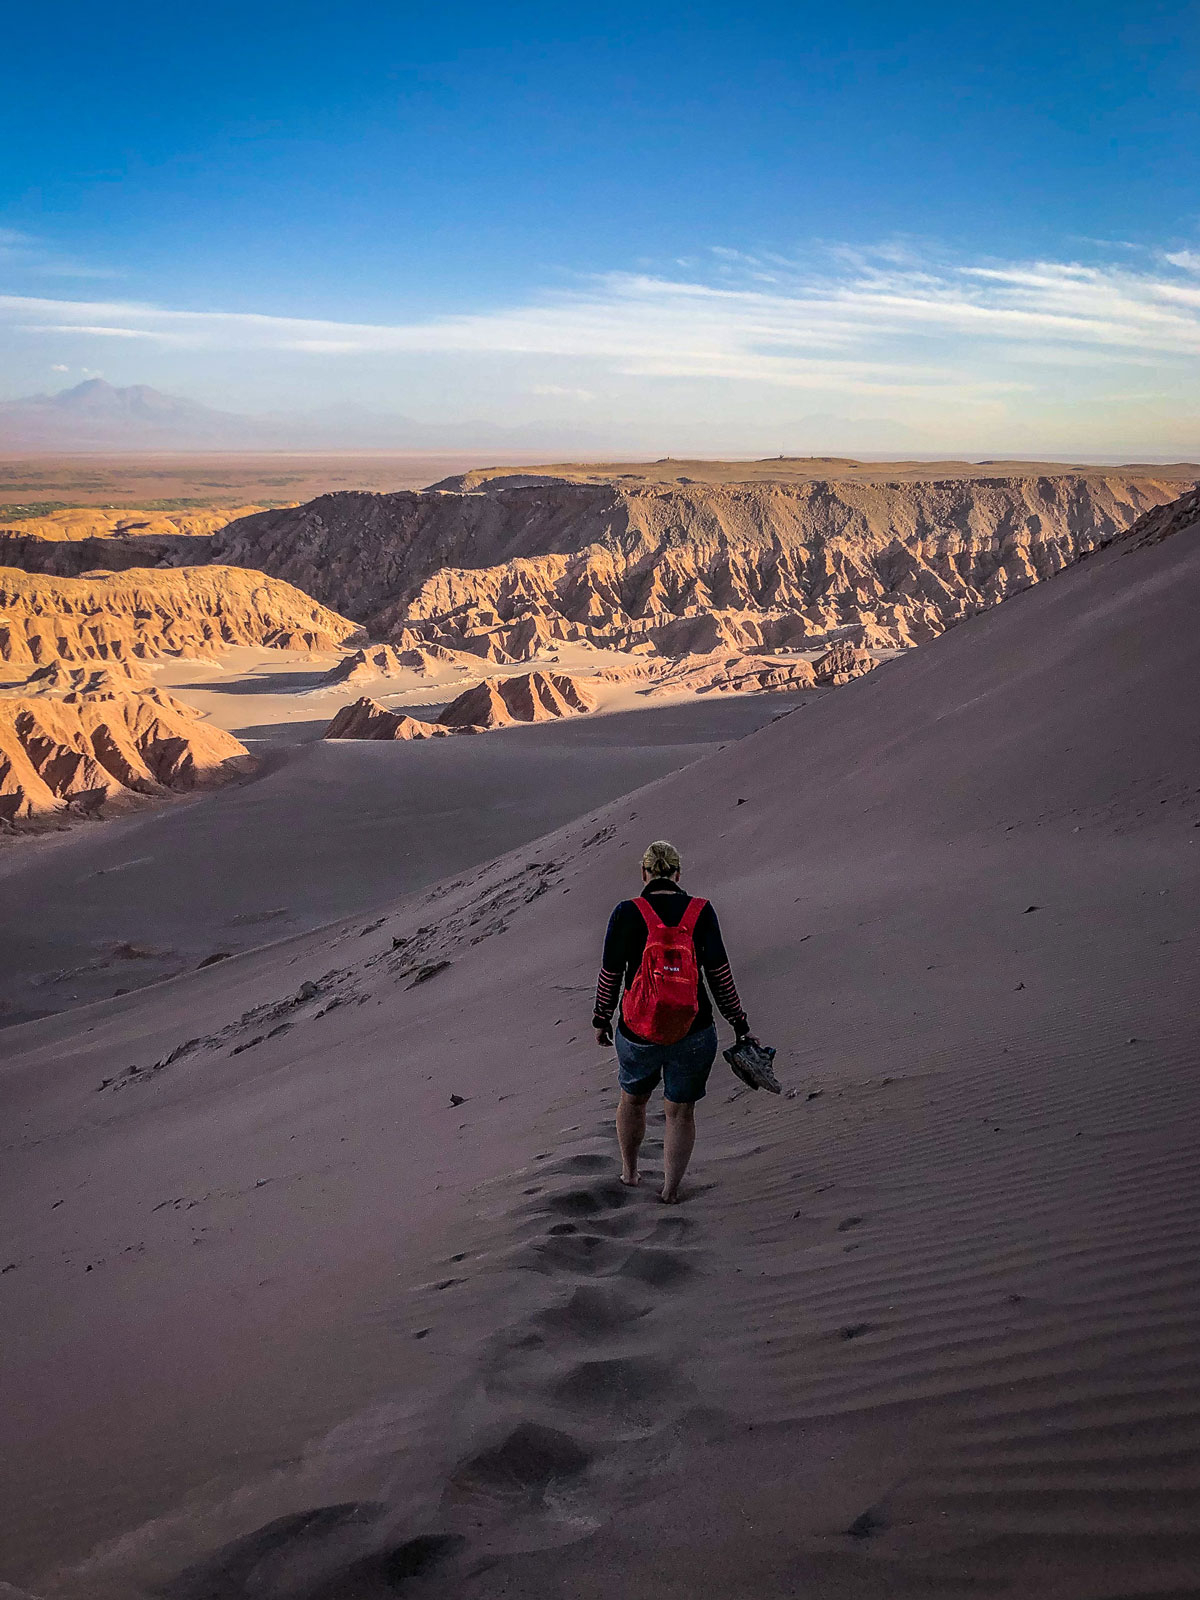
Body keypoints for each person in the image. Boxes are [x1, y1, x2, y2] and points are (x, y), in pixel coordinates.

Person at [593, 840, 756, 1203]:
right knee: (680, 1113)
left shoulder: (626, 912)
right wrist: (739, 1022)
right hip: (694, 1030)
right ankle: (670, 1191)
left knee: (632, 1100)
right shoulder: (701, 912)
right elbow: (720, 976)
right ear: (678, 874)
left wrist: (601, 1018)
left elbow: (610, 974)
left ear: (644, 873)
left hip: (638, 1031)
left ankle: (630, 1173)